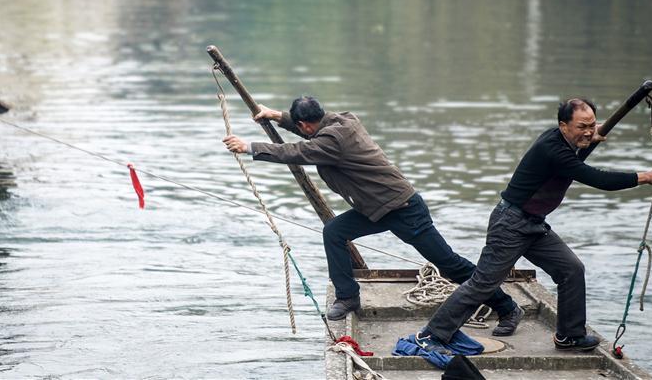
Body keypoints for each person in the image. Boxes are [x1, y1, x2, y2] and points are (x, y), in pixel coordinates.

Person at [222, 96, 524, 336]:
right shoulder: (341, 119)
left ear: (306, 124)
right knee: (335, 232)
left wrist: (249, 147)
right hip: (375, 208)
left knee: (449, 264)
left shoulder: (331, 141)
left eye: (300, 125)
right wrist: (275, 115)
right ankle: (348, 297)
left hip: (403, 209)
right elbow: (307, 133)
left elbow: (297, 151)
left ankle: (508, 308)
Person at [415, 98, 652, 354]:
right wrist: (645, 177)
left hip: (534, 224)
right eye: (582, 126)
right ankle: (431, 335)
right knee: (483, 284)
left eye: (592, 125)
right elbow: (599, 179)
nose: (589, 131)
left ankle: (570, 336)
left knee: (571, 269)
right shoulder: (554, 150)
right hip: (511, 224)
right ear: (563, 126)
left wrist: (590, 134)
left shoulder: (566, 140)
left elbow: (581, 145)